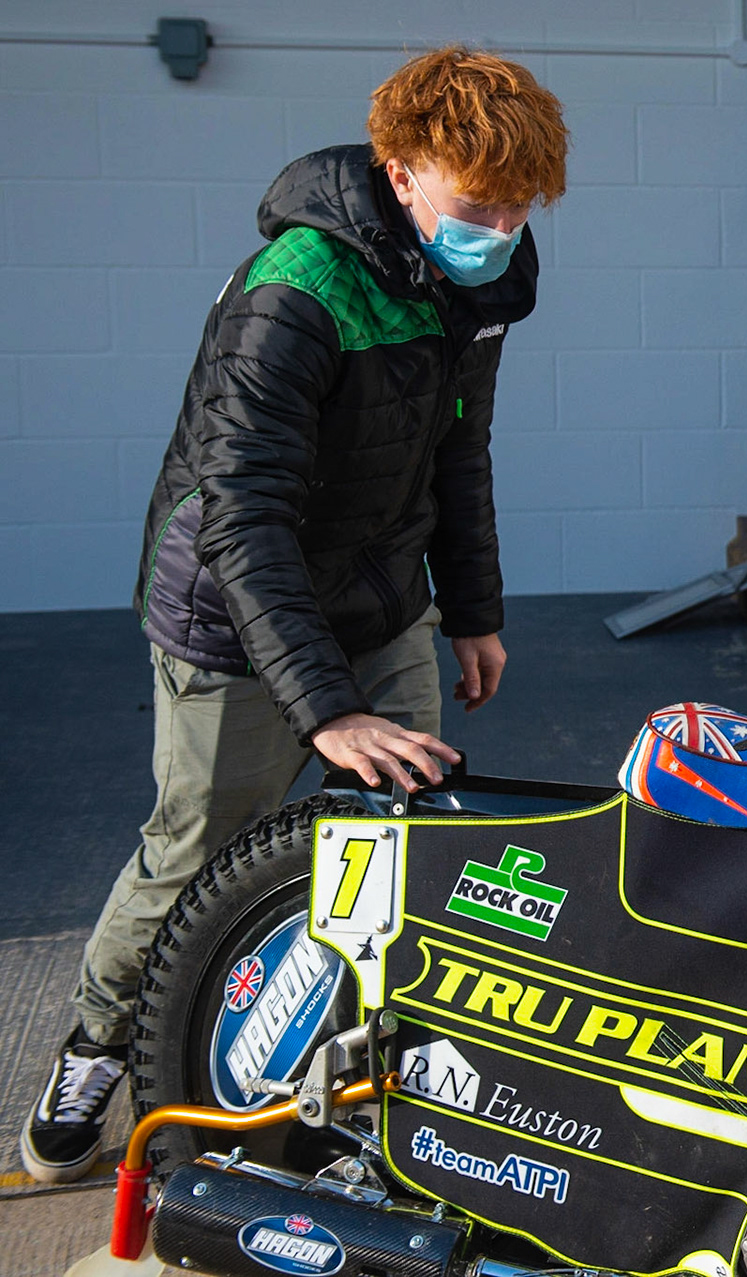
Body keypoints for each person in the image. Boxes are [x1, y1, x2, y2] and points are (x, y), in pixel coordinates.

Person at [19, 47, 568, 1184]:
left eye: (523, 206)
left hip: (382, 595)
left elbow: (457, 449)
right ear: (401, 173)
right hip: (234, 609)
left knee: (407, 835)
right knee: (197, 853)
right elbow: (246, 514)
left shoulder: (480, 274)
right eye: (481, 205)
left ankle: (351, 1069)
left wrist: (474, 611)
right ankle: (97, 1043)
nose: (504, 228)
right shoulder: (296, 290)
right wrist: (326, 710)